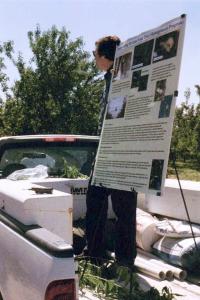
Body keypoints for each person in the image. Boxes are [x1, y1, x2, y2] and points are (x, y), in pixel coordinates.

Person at [85, 36, 137, 267]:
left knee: (122, 207)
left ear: (105, 56)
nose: (94, 59)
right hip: (107, 151)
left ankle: (122, 260)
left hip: (119, 152)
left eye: (95, 55)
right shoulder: (110, 79)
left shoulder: (122, 78)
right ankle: (96, 253)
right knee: (99, 201)